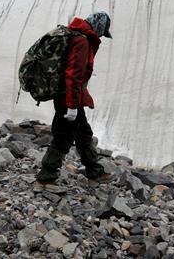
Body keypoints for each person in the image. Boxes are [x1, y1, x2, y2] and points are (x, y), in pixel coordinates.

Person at [34, 11, 114, 192]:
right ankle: (45, 178)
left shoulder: (75, 36)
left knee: (83, 133)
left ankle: (95, 172)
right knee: (63, 136)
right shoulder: (82, 41)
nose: (101, 35)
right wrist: (71, 106)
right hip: (68, 98)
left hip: (71, 97)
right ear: (98, 26)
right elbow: (74, 75)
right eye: (102, 31)